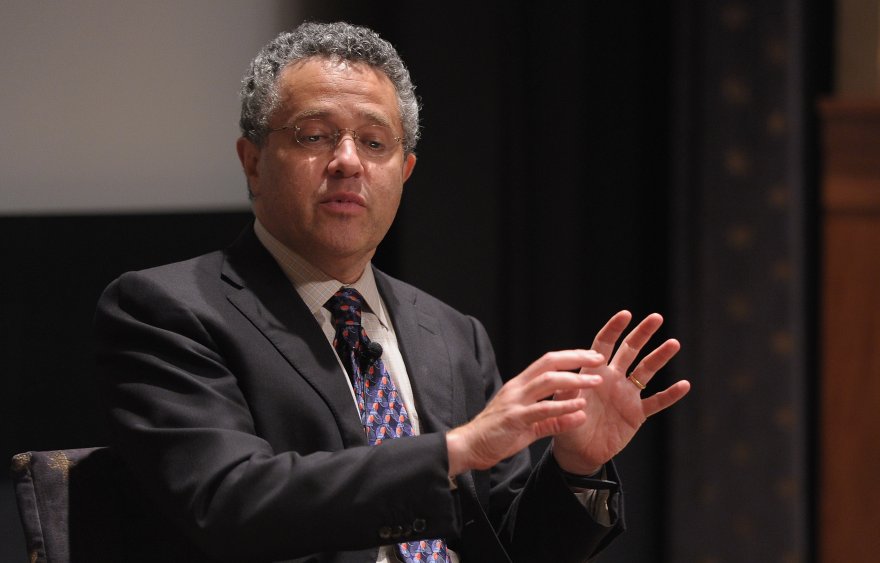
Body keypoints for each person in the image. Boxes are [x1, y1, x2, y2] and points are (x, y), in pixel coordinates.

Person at [93, 20, 690, 563]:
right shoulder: (167, 310)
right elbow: (227, 503)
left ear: (403, 173)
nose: (348, 161)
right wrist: (453, 451)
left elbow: (511, 550)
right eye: (314, 136)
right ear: (252, 161)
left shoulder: (454, 335)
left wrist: (575, 469)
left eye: (375, 143)